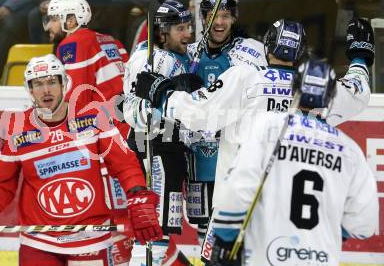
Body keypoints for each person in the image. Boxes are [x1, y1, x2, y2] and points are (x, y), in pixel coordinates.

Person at [134, 17, 374, 261]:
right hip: (294, 222)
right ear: (301, 53)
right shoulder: (319, 90)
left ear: (267, 46)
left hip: (238, 209)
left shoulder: (245, 78)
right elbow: (358, 90)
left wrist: (162, 93)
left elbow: (196, 114)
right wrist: (360, 56)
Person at [0, 54, 162, 266]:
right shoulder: (17, 129)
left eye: (52, 82)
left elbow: (124, 164)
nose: (46, 90)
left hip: (91, 241)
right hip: (40, 244)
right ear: (30, 90)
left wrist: (138, 196)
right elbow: (0, 187)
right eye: (38, 84)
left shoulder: (93, 117)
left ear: (64, 84)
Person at [209, 58, 379, 266]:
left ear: (294, 88)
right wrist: (330, 234)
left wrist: (224, 238)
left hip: (266, 255)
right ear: (331, 96)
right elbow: (364, 222)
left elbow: (239, 187)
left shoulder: (269, 126)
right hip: (321, 258)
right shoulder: (349, 150)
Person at [44, 0, 133, 265]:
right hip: (128, 132)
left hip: (103, 138)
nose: (48, 26)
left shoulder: (71, 45)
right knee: (123, 209)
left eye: (52, 19)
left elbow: (75, 100)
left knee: (109, 212)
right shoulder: (111, 41)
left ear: (70, 20)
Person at [184, 0, 267, 249]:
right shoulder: (191, 53)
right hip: (198, 158)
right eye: (212, 16)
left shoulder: (249, 52)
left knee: (229, 231)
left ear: (234, 18)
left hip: (233, 159)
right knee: (202, 228)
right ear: (203, 18)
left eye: (225, 16)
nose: (219, 23)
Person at [123, 0, 201, 266]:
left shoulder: (174, 57)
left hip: (167, 152)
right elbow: (133, 112)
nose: (188, 33)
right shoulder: (153, 60)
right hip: (155, 152)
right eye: (181, 28)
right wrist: (169, 98)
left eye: (188, 26)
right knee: (152, 235)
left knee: (160, 233)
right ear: (161, 32)